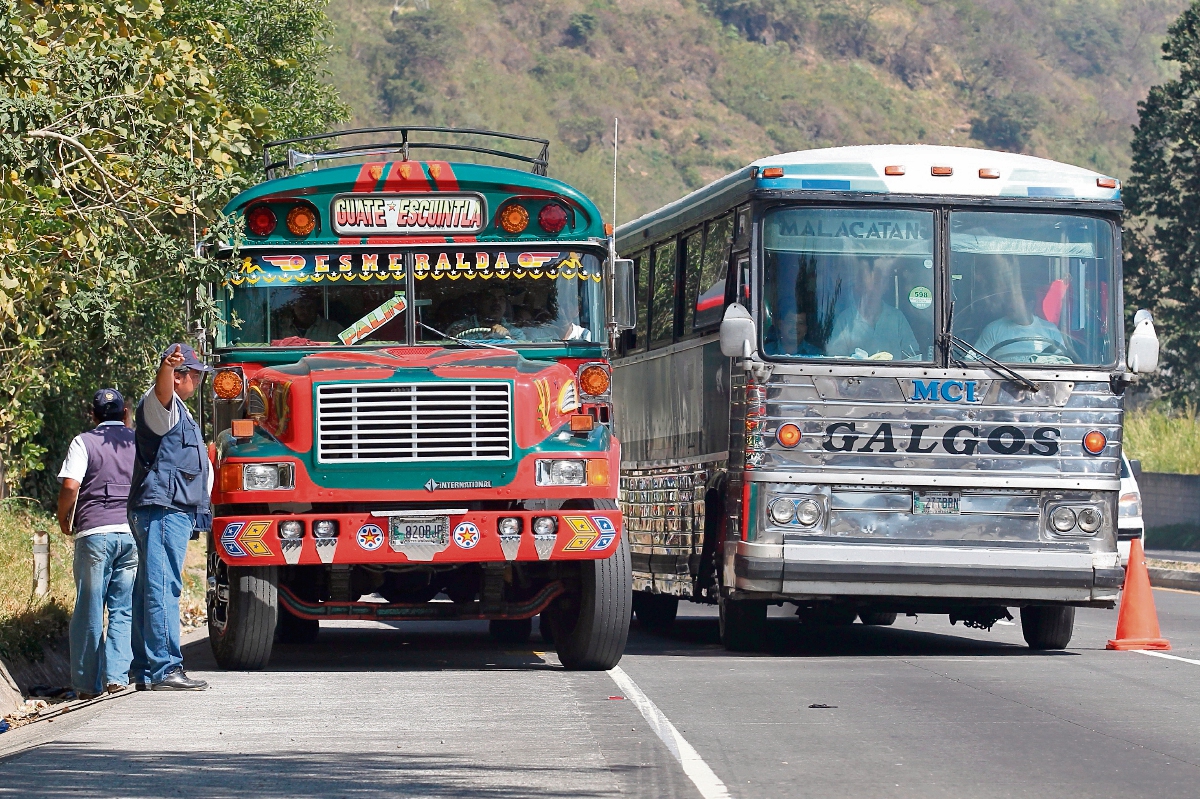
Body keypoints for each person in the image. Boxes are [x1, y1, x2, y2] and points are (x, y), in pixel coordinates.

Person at [128, 343, 212, 691]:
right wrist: (166, 368)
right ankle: (164, 668)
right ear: (179, 378)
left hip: (169, 508)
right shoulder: (161, 405)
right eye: (193, 374)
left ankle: (146, 668)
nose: (197, 380)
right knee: (163, 586)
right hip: (163, 509)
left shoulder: (180, 412)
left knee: (150, 587)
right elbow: (162, 390)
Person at [56, 389, 138, 699]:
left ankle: (87, 685)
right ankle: (116, 676)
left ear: (93, 415)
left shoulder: (84, 442)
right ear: (126, 412)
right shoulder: (135, 442)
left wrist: (64, 516)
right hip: (130, 535)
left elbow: (70, 485)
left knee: (89, 608)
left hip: (94, 534)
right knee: (122, 608)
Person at [971, 253, 1071, 362]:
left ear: (1030, 304)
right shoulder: (993, 330)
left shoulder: (1050, 330)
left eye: (1015, 302)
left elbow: (1063, 361)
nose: (1009, 305)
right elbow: (972, 361)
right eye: (1009, 301)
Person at [825, 256, 920, 360]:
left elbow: (912, 355)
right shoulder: (845, 320)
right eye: (869, 283)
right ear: (858, 287)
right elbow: (834, 359)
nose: (873, 288)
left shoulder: (897, 318)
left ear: (885, 287)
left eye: (879, 282)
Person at [448, 286, 526, 340]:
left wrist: (507, 338)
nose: (496, 302)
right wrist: (453, 337)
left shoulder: (514, 332)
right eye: (490, 298)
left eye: (501, 299)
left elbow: (519, 356)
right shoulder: (460, 328)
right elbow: (445, 353)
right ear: (479, 302)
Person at [274, 289, 342, 342]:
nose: (306, 311)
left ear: (317, 307)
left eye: (310, 307)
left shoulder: (333, 328)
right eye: (301, 307)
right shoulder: (280, 328)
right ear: (293, 307)